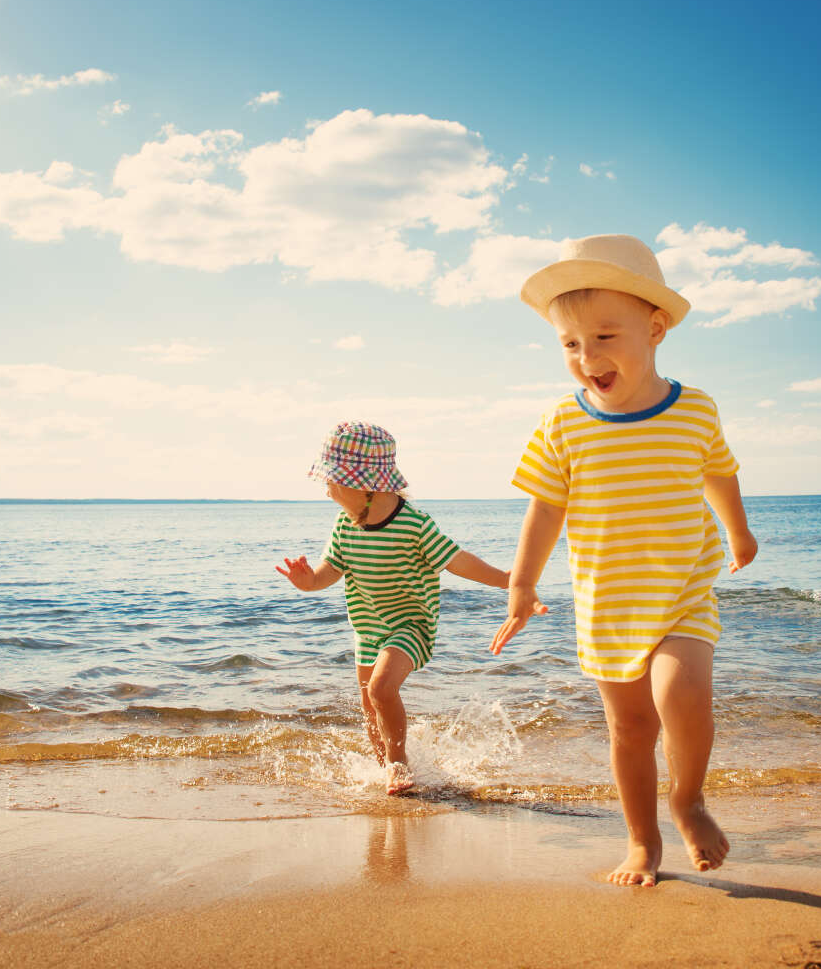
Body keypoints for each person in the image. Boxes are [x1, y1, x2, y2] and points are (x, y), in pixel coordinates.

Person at [490, 234, 758, 886]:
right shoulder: (563, 424)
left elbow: (719, 474)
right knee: (631, 730)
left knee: (683, 693)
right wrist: (522, 582)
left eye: (605, 337)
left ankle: (687, 799)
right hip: (607, 606)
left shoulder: (694, 409)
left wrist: (739, 533)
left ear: (655, 328)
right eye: (571, 345)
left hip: (682, 595)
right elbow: (546, 509)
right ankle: (642, 843)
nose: (587, 358)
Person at [278, 420, 521, 795]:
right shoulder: (345, 525)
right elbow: (329, 572)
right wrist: (307, 581)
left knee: (380, 689)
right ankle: (387, 772)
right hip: (368, 627)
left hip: (410, 625)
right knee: (369, 704)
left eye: (330, 482)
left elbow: (458, 561)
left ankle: (398, 765)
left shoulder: (413, 525)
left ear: (359, 484)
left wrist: (508, 579)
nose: (327, 491)